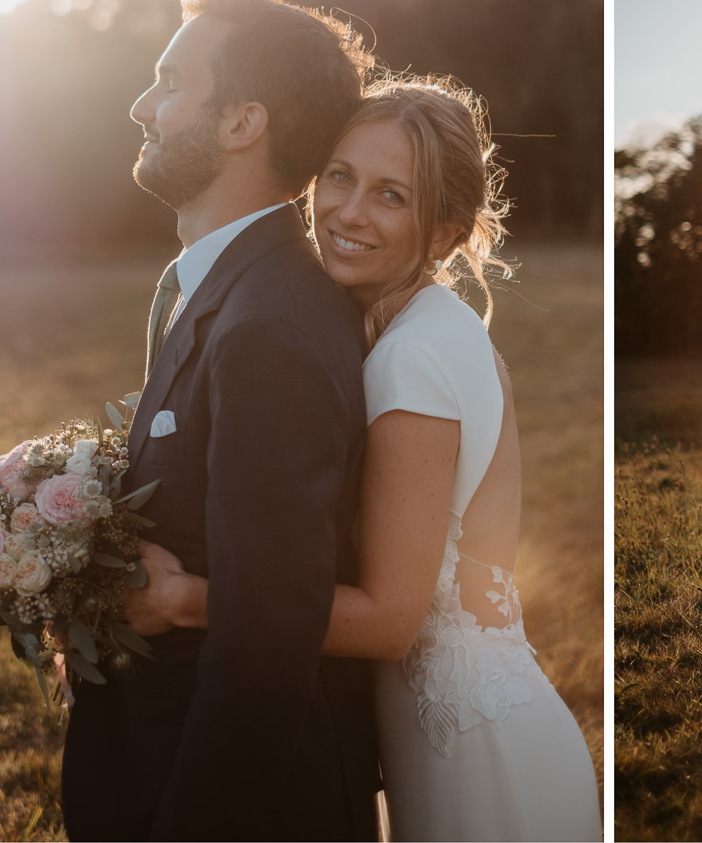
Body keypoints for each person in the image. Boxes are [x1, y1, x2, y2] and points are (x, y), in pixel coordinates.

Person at [124, 77, 603, 842]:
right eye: (340, 177)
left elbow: (390, 620)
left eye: (391, 196)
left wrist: (184, 597)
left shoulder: (411, 359)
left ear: (445, 232)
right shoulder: (430, 328)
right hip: (452, 730)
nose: (348, 212)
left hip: (475, 761)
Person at [62, 0, 379, 840]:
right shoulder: (229, 287)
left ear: (243, 123)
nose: (141, 106)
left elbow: (267, 639)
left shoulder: (270, 321)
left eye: (169, 83)